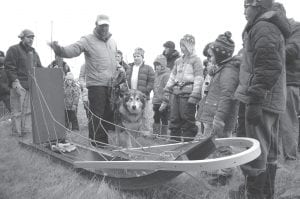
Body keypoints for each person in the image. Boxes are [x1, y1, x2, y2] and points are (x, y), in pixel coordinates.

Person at [230, 0, 291, 198]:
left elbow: (268, 66)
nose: (244, 12)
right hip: (269, 98)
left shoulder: (263, 27)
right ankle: (265, 193)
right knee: (267, 151)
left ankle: (254, 194)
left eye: (246, 6)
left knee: (255, 150)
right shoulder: (266, 27)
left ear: (258, 5)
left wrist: (255, 100)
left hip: (260, 100)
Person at [48, 14, 119, 148]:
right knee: (97, 115)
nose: (104, 28)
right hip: (96, 85)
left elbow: (114, 59)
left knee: (107, 115)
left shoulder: (112, 41)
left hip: (110, 85)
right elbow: (74, 49)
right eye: (101, 25)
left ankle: (103, 143)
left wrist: (118, 68)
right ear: (96, 25)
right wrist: (61, 50)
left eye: (106, 25)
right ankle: (97, 144)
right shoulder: (87, 40)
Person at [197, 31, 241, 186]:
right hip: (213, 114)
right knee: (211, 144)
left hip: (220, 117)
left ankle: (226, 174)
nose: (209, 58)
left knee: (222, 144)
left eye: (211, 55)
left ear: (220, 55)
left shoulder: (229, 71)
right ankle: (215, 169)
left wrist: (219, 118)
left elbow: (227, 95)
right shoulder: (222, 68)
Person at [161, 34, 203, 142]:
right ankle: (174, 142)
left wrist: (195, 94)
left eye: (184, 46)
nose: (182, 48)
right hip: (176, 93)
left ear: (191, 46)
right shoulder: (178, 61)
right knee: (174, 118)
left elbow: (199, 78)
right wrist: (167, 88)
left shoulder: (196, 60)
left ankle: (188, 142)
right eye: (181, 46)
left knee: (187, 119)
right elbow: (172, 76)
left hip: (188, 95)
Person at [5, 29, 43, 136]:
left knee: (28, 111)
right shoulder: (13, 50)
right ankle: (17, 133)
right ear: (22, 37)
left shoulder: (34, 52)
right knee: (17, 111)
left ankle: (26, 132)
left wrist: (51, 69)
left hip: (30, 85)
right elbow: (9, 67)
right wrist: (15, 82)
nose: (31, 39)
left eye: (32, 37)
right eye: (29, 37)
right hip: (17, 84)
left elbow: (39, 68)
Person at [275, 3, 300, 161]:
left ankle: (290, 159)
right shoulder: (278, 29)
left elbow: (293, 50)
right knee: (277, 123)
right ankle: (277, 160)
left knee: (287, 121)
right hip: (278, 81)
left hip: (290, 81)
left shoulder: (295, 28)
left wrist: (268, 54)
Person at [125, 47, 155, 131]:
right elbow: (125, 81)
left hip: (143, 96)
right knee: (132, 116)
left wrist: (145, 92)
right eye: (134, 56)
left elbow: (152, 81)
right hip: (131, 97)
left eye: (138, 56)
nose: (136, 58)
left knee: (145, 115)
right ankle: (134, 132)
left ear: (142, 57)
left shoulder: (148, 68)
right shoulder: (129, 68)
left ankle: (146, 132)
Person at [152, 55, 170, 136]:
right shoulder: (155, 74)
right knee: (156, 118)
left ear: (163, 66)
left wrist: (165, 101)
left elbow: (168, 89)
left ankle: (163, 135)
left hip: (163, 102)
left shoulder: (166, 75)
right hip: (155, 101)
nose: (156, 67)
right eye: (155, 65)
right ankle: (156, 134)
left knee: (164, 118)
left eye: (158, 65)